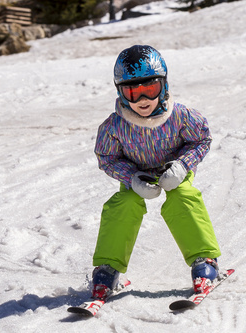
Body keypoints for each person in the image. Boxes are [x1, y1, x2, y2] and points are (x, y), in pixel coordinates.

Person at [91, 45, 222, 300]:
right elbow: (106, 157)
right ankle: (107, 268)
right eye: (133, 91)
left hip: (173, 170)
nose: (142, 100)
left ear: (163, 85)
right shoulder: (114, 126)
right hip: (137, 174)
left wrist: (183, 165)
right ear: (120, 91)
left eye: (149, 90)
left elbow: (201, 140)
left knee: (182, 197)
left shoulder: (181, 116)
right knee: (124, 204)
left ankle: (205, 259)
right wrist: (130, 177)